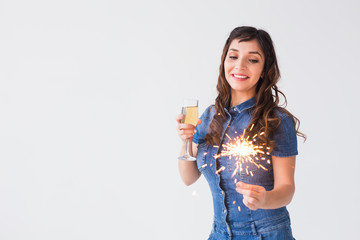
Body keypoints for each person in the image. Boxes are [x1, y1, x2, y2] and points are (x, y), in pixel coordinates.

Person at [176, 26, 306, 240]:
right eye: (233, 56)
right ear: (224, 62)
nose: (240, 66)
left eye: (252, 60)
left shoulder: (277, 121)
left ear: (265, 68)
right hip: (220, 234)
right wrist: (186, 141)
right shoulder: (210, 115)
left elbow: (287, 189)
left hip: (265, 234)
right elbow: (188, 178)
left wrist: (264, 199)